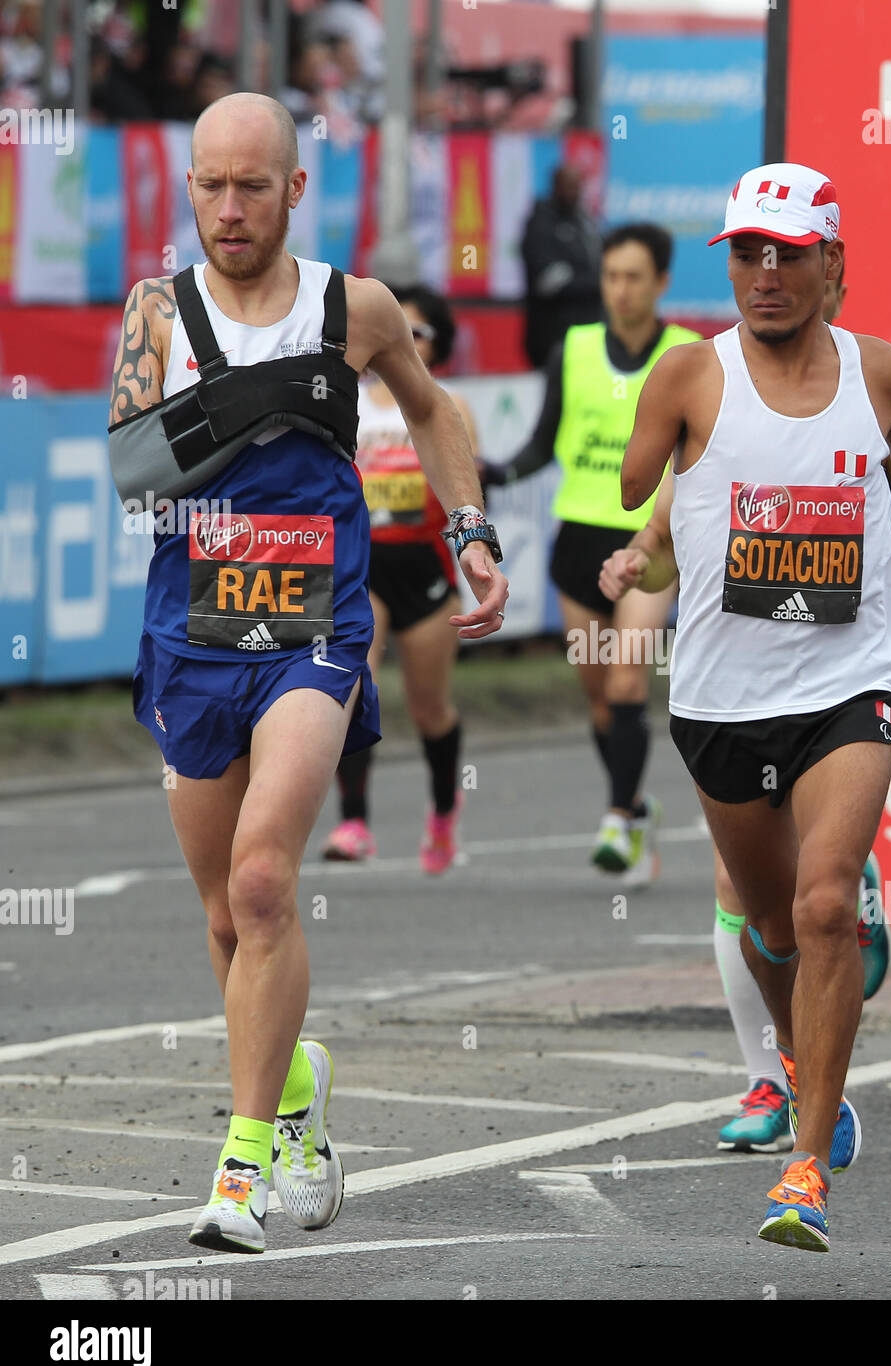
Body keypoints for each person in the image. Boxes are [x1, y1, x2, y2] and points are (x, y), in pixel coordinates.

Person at [111, 93, 506, 1253]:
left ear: (293, 189)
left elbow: (435, 414)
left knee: (265, 882)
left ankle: (238, 1169)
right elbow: (135, 471)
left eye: (252, 186)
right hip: (193, 631)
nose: (228, 209)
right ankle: (292, 1092)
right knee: (225, 918)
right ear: (189, 190)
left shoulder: (356, 308)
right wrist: (274, 396)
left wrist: (467, 526)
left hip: (315, 629)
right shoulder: (157, 313)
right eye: (209, 186)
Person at [619, 163, 891, 1250]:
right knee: (766, 925)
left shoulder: (886, 375)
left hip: (848, 682)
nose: (764, 275)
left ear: (829, 264)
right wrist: (645, 549)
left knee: (821, 907)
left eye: (786, 253)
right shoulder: (684, 375)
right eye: (746, 254)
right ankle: (812, 1071)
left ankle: (802, 1167)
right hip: (721, 696)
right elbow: (642, 492)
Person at [491, 222, 699, 881]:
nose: (621, 291)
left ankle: (614, 817)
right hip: (576, 540)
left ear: (661, 282)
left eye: (634, 277)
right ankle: (636, 808)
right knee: (602, 701)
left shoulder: (690, 355)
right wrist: (493, 473)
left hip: (652, 544)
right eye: (611, 276)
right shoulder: (573, 350)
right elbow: (541, 442)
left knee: (628, 676)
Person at [322, 284, 478, 872]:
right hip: (364, 566)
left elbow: (466, 485)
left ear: (436, 347)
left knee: (429, 707)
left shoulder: (448, 407)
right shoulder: (350, 401)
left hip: (427, 574)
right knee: (352, 682)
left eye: (420, 334)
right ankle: (354, 821)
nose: (406, 342)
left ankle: (442, 812)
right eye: (399, 331)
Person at [520, 165, 603, 370]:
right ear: (555, 187)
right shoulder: (541, 224)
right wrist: (596, 282)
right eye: (569, 187)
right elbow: (549, 282)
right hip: (551, 337)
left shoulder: (584, 222)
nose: (575, 193)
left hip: (588, 333)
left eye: (578, 187)